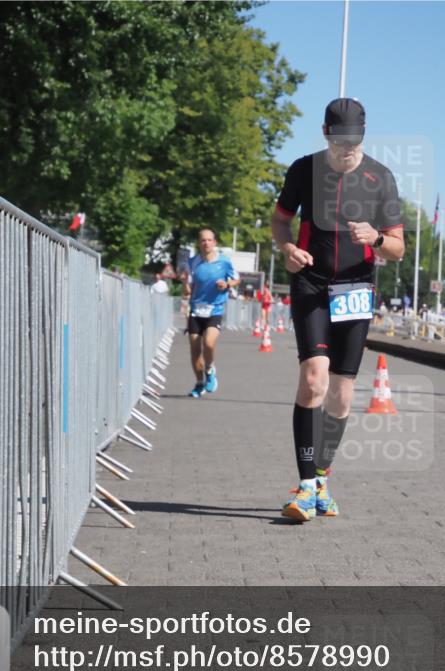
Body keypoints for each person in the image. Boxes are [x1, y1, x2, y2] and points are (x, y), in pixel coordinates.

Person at [271, 97, 405, 522]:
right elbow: (279, 220)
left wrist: (377, 239)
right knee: (313, 379)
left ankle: (323, 477)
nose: (347, 149)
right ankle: (305, 484)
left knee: (342, 394)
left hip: (355, 289)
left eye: (355, 141)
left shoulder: (381, 178)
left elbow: (399, 248)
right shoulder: (303, 170)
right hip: (310, 282)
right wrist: (287, 247)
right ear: (326, 134)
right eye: (340, 140)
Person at [180, 228, 239, 398]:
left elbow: (236, 278)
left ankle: (210, 369)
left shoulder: (224, 262)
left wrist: (227, 284)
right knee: (194, 350)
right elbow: (187, 291)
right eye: (203, 240)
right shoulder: (192, 263)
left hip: (215, 308)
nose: (206, 243)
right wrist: (184, 282)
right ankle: (199, 383)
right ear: (199, 243)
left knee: (209, 343)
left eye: (209, 240)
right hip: (196, 310)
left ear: (215, 243)